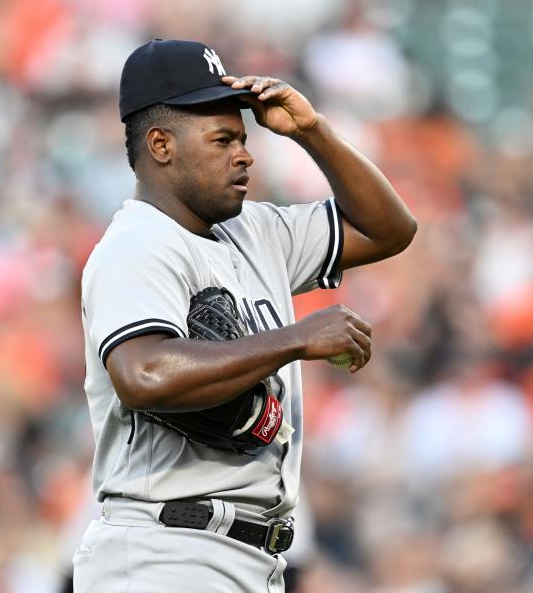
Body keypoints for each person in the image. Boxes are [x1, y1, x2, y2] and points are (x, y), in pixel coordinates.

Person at [75, 39, 416, 593]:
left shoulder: (255, 231)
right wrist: (292, 340)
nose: (245, 153)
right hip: (166, 554)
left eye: (243, 137)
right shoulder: (138, 244)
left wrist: (313, 132)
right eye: (223, 139)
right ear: (161, 144)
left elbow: (389, 229)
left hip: (248, 558)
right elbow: (143, 374)